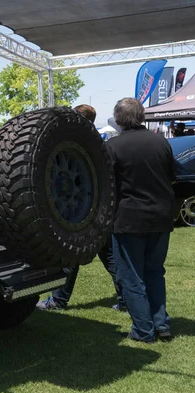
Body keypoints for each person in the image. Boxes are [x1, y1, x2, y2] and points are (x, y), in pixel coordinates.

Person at [37, 104, 125, 311]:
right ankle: (126, 299)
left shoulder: (76, 143)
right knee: (110, 258)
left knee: (70, 257)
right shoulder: (100, 144)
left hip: (78, 211)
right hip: (102, 211)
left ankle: (58, 300)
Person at [107, 98, 176, 343]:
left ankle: (144, 330)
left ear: (118, 119)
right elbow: (172, 177)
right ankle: (161, 325)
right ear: (142, 116)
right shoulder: (161, 142)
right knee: (155, 271)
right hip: (161, 216)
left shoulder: (113, 146)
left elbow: (107, 185)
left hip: (129, 218)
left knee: (131, 276)